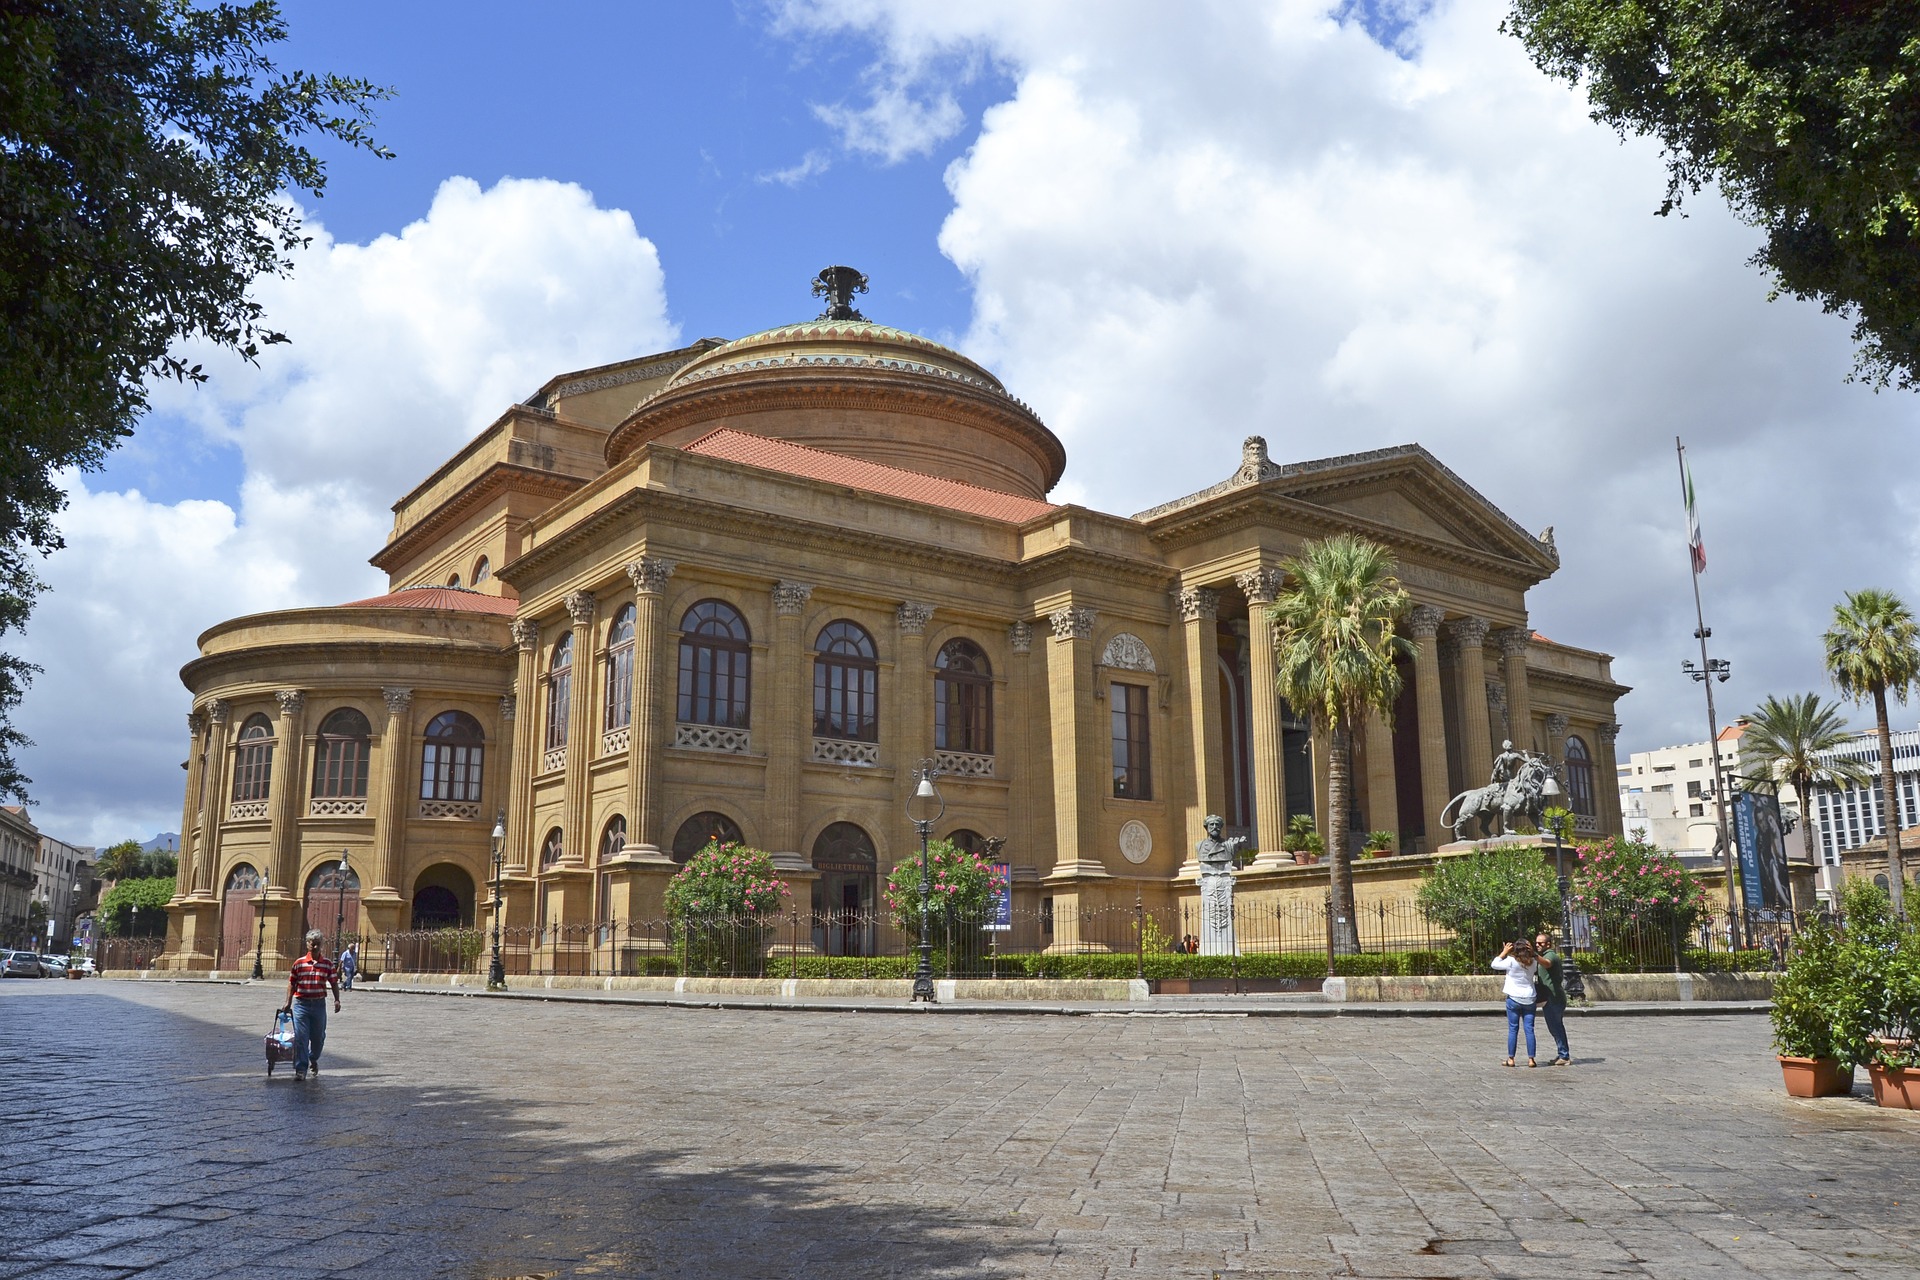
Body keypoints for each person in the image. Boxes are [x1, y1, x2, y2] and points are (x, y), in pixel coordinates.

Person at [281, 930, 341, 1081]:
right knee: (301, 1038)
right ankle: (301, 1069)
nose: (314, 946)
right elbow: (291, 983)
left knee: (318, 1037)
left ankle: (313, 1057)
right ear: (307, 943)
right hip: (301, 1005)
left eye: (317, 944)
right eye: (311, 943)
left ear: (322, 945)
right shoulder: (299, 963)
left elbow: (334, 983)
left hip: (319, 1005)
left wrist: (337, 999)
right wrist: (288, 1002)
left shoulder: (327, 964)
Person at [1491, 939, 1539, 1067]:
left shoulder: (1511, 961)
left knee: (1513, 1029)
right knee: (1529, 1029)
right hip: (1529, 997)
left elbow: (1495, 964)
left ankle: (1511, 1059)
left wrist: (1504, 952)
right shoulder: (1533, 962)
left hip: (1513, 997)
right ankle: (1531, 1059)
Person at [1534, 930, 1571, 1066]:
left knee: (1556, 1026)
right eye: (1536, 943)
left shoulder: (1551, 955)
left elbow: (1547, 963)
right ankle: (1562, 1053)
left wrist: (1534, 955)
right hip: (1548, 997)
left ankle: (1564, 1055)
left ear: (1548, 944)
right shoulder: (1542, 955)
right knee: (1553, 1027)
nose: (1537, 945)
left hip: (1554, 997)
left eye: (1540, 943)